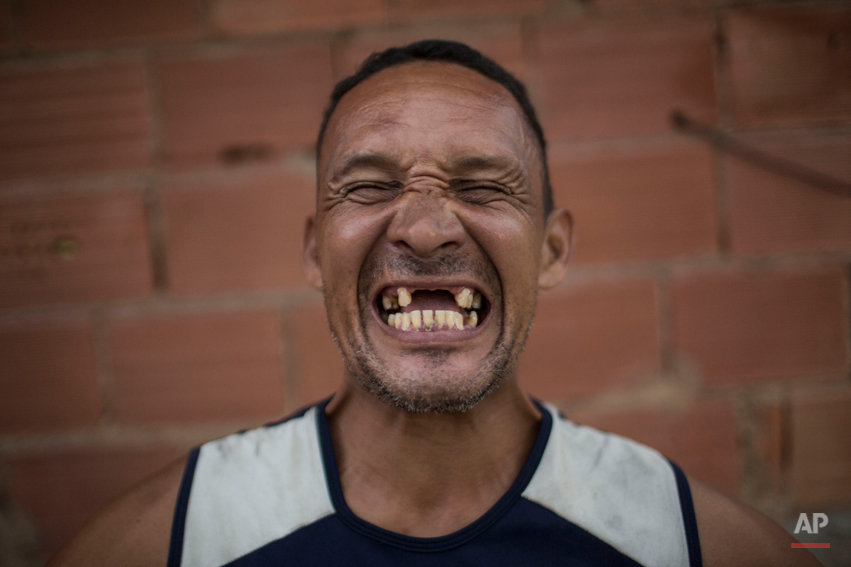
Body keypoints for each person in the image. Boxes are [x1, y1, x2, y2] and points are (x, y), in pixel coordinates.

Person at [49, 40, 817, 567]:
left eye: (483, 184)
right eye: (371, 185)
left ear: (550, 251)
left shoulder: (692, 542)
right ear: (317, 249)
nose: (422, 226)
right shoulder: (168, 543)